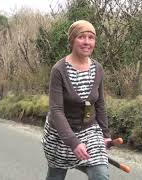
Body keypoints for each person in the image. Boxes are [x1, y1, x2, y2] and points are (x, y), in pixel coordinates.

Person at [42, 20, 112, 180]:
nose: (87, 42)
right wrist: (73, 142)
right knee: (56, 176)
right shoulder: (59, 70)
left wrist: (105, 134)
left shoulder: (98, 69)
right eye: (82, 37)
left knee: (100, 175)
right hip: (60, 135)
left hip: (89, 131)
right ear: (72, 40)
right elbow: (56, 110)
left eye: (91, 37)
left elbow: (100, 103)